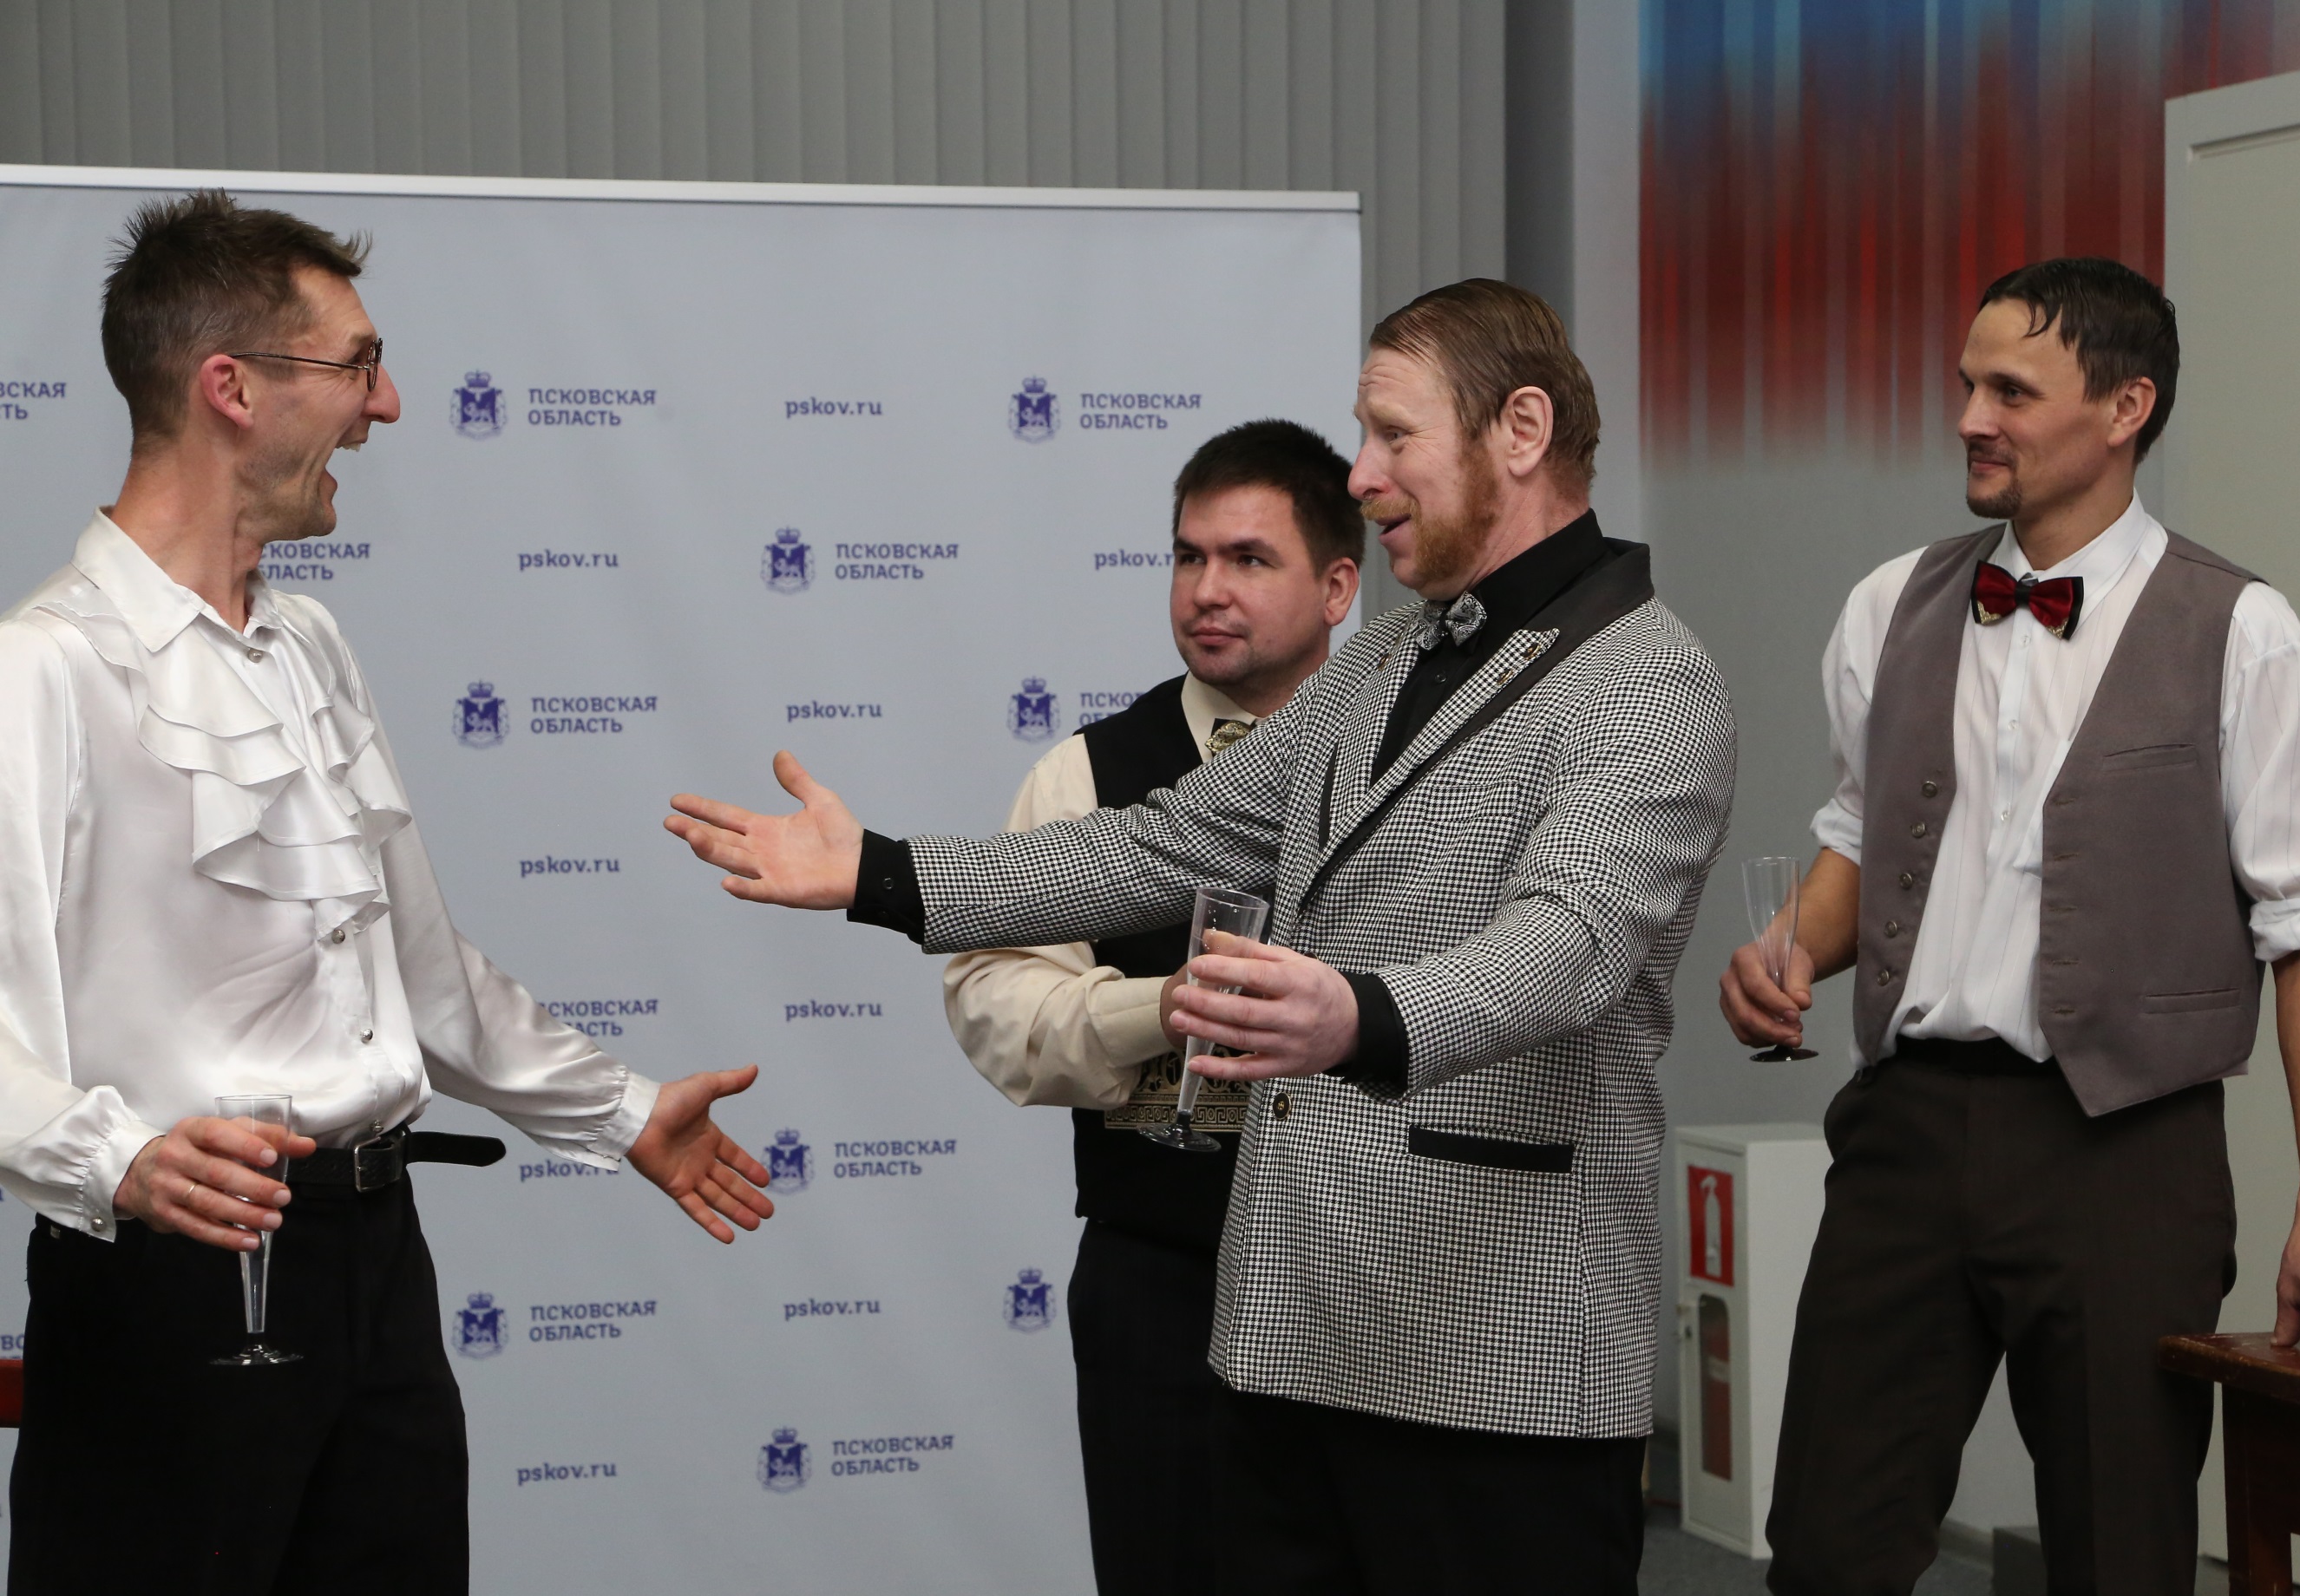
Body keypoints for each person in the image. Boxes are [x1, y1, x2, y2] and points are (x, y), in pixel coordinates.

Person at [667, 278, 1736, 1593]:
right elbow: (1164, 845)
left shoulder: (1649, 679)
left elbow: (1569, 948)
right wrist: (878, 873)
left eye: (1393, 435)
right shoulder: (1380, 662)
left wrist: (1359, 1014)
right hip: (1287, 1343)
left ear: (1520, 431)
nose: (1363, 474)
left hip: (1496, 1360)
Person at [0, 191, 776, 1594]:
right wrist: (114, 1159)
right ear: (231, 389)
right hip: (172, 1288)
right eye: (358, 364)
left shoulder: (311, 643)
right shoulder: (41, 668)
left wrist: (620, 1111)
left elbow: (416, 974)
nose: (389, 403)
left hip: (374, 1269)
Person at [1718, 257, 2300, 1594]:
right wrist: (1790, 948)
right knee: (1829, 1548)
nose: (1970, 416)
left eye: (2012, 391)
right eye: (1968, 383)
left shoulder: (2244, 633)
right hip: (1906, 1133)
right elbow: (1865, 835)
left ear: (2126, 407)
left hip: (2125, 1153)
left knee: (2120, 1555)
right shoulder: (1889, 606)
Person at [945, 419, 1360, 1595]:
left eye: (1248, 559)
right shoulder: (1087, 773)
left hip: (1377, 1271)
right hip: (1163, 1270)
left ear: (1339, 587)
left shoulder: (1420, 772)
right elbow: (994, 1003)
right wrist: (1156, 1009)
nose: (1206, 590)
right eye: (1188, 557)